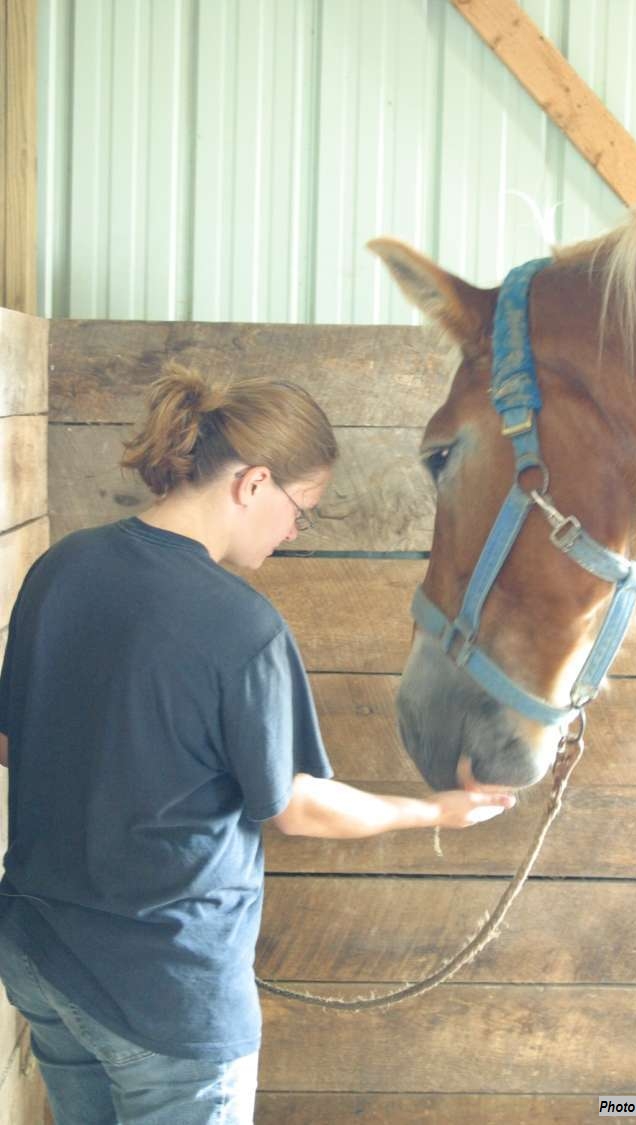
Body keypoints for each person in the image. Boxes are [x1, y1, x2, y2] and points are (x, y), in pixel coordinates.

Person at [0, 364, 515, 1125]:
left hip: (41, 960)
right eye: (300, 509)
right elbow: (295, 805)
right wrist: (432, 812)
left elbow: (15, 740)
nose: (293, 532)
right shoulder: (242, 627)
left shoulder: (60, 567)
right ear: (253, 482)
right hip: (164, 996)